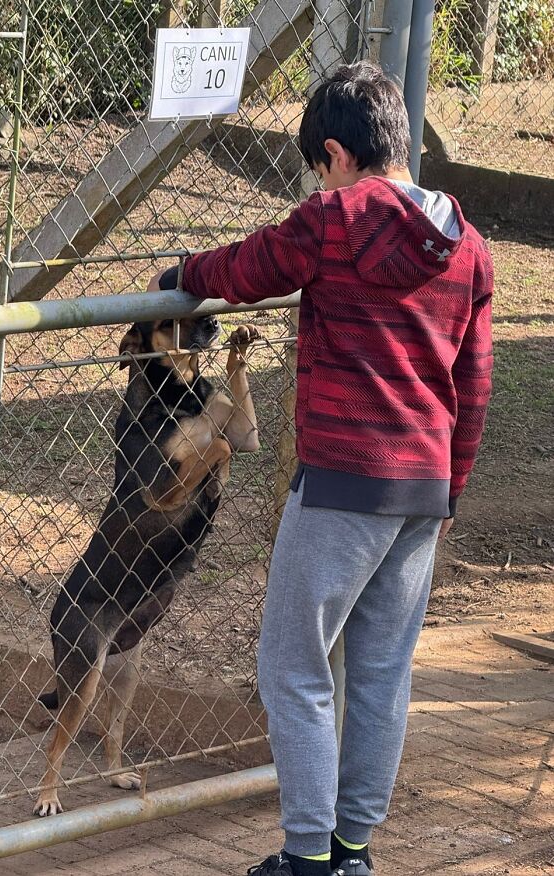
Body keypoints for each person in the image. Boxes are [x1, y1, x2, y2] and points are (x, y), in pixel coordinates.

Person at [148, 61, 493, 876]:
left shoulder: (334, 218)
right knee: (379, 672)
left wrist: (178, 275)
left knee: (292, 664)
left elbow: (248, 268)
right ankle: (351, 852)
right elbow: (473, 388)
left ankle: (306, 857)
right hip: (423, 486)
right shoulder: (471, 247)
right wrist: (452, 490)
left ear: (335, 152)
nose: (318, 181)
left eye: (318, 167)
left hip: (343, 476)